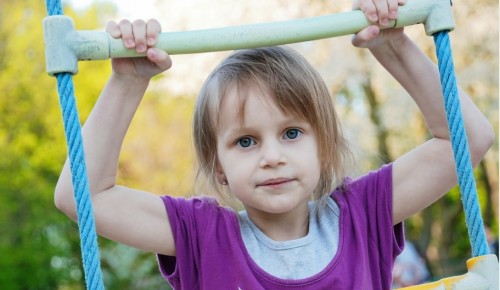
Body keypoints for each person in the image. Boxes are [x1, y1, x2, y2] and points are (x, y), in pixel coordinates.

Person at [54, 0, 494, 289]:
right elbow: (81, 196)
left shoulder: (362, 213)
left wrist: (395, 47)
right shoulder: (204, 236)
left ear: (324, 147)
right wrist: (127, 82)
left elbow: (469, 139)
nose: (272, 156)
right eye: (245, 141)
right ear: (219, 166)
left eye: (292, 133)